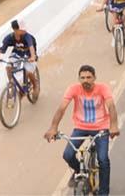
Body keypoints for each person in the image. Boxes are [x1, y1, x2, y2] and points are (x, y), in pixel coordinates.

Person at [44, 65, 119, 195]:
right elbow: (62, 108)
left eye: (89, 77)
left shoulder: (103, 88)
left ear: (94, 78)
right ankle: (79, 171)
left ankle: (104, 192)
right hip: (80, 127)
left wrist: (113, 126)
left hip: (101, 128)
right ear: (79, 79)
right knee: (67, 155)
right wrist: (53, 127)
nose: (86, 80)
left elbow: (111, 106)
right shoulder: (73, 89)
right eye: (82, 77)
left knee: (103, 160)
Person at [0, 19, 39, 99]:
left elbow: (31, 47)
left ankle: (35, 85)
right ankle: (12, 85)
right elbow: (1, 48)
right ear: (15, 30)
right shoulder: (9, 37)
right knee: (8, 67)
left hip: (28, 55)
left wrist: (33, 56)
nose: (24, 30)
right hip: (17, 54)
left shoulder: (27, 36)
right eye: (21, 29)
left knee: (27, 71)